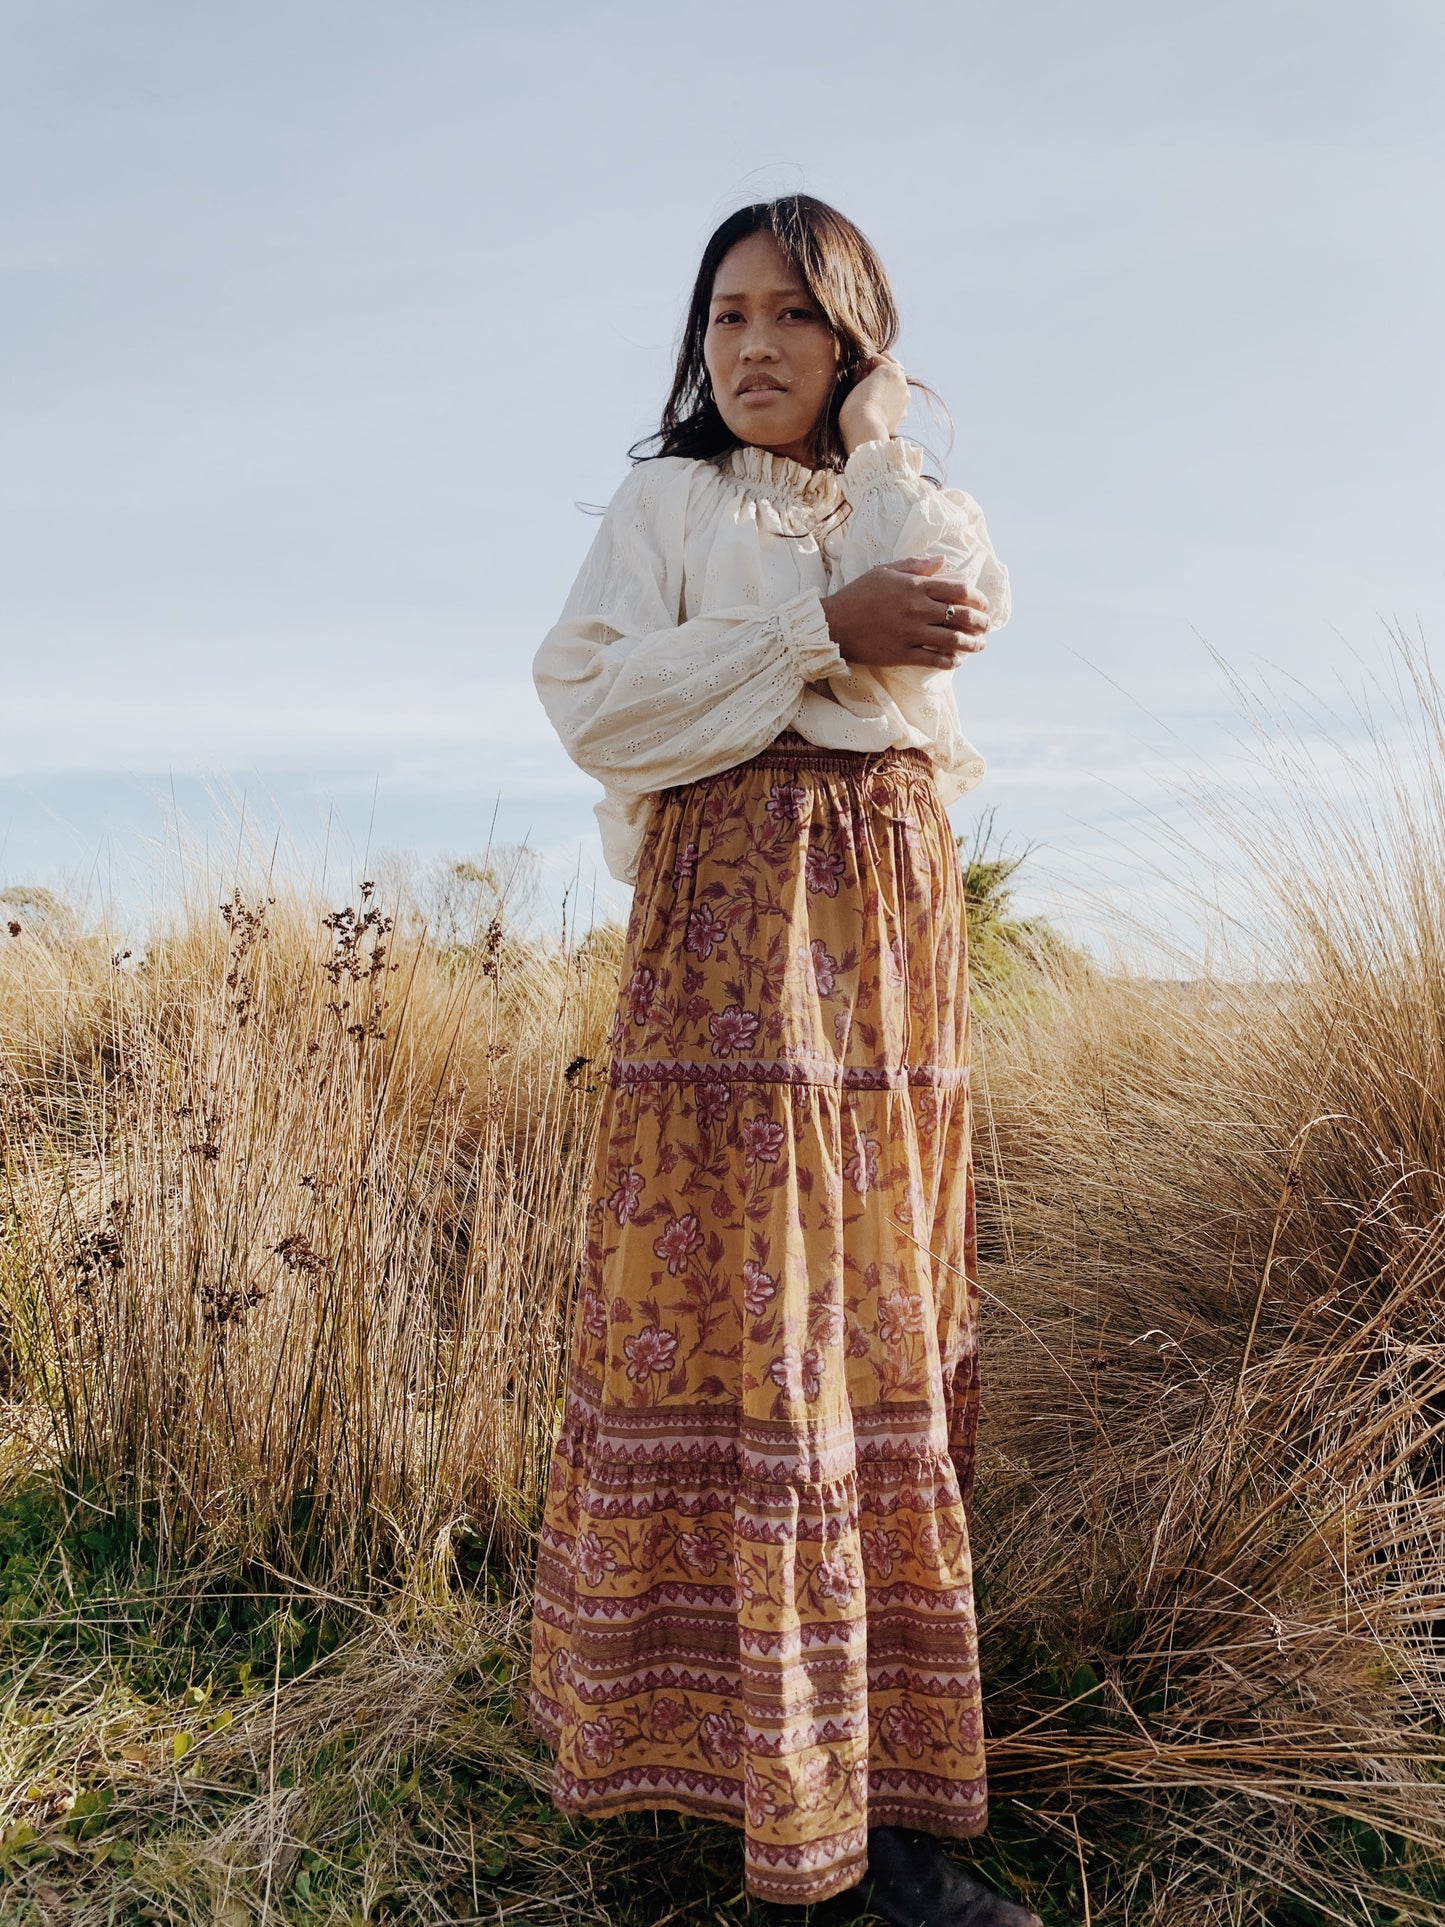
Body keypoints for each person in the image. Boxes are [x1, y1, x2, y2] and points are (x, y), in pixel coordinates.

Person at [528, 194, 1041, 1927]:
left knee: (872, 1321)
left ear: (854, 342)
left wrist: (881, 468)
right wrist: (817, 633)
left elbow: (952, 607)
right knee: (754, 1322)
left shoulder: (906, 496)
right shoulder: (668, 502)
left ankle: (868, 1801)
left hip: (889, 952)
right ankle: (760, 1793)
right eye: (722, 316)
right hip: (727, 944)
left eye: (790, 319)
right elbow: (597, 703)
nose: (748, 347)